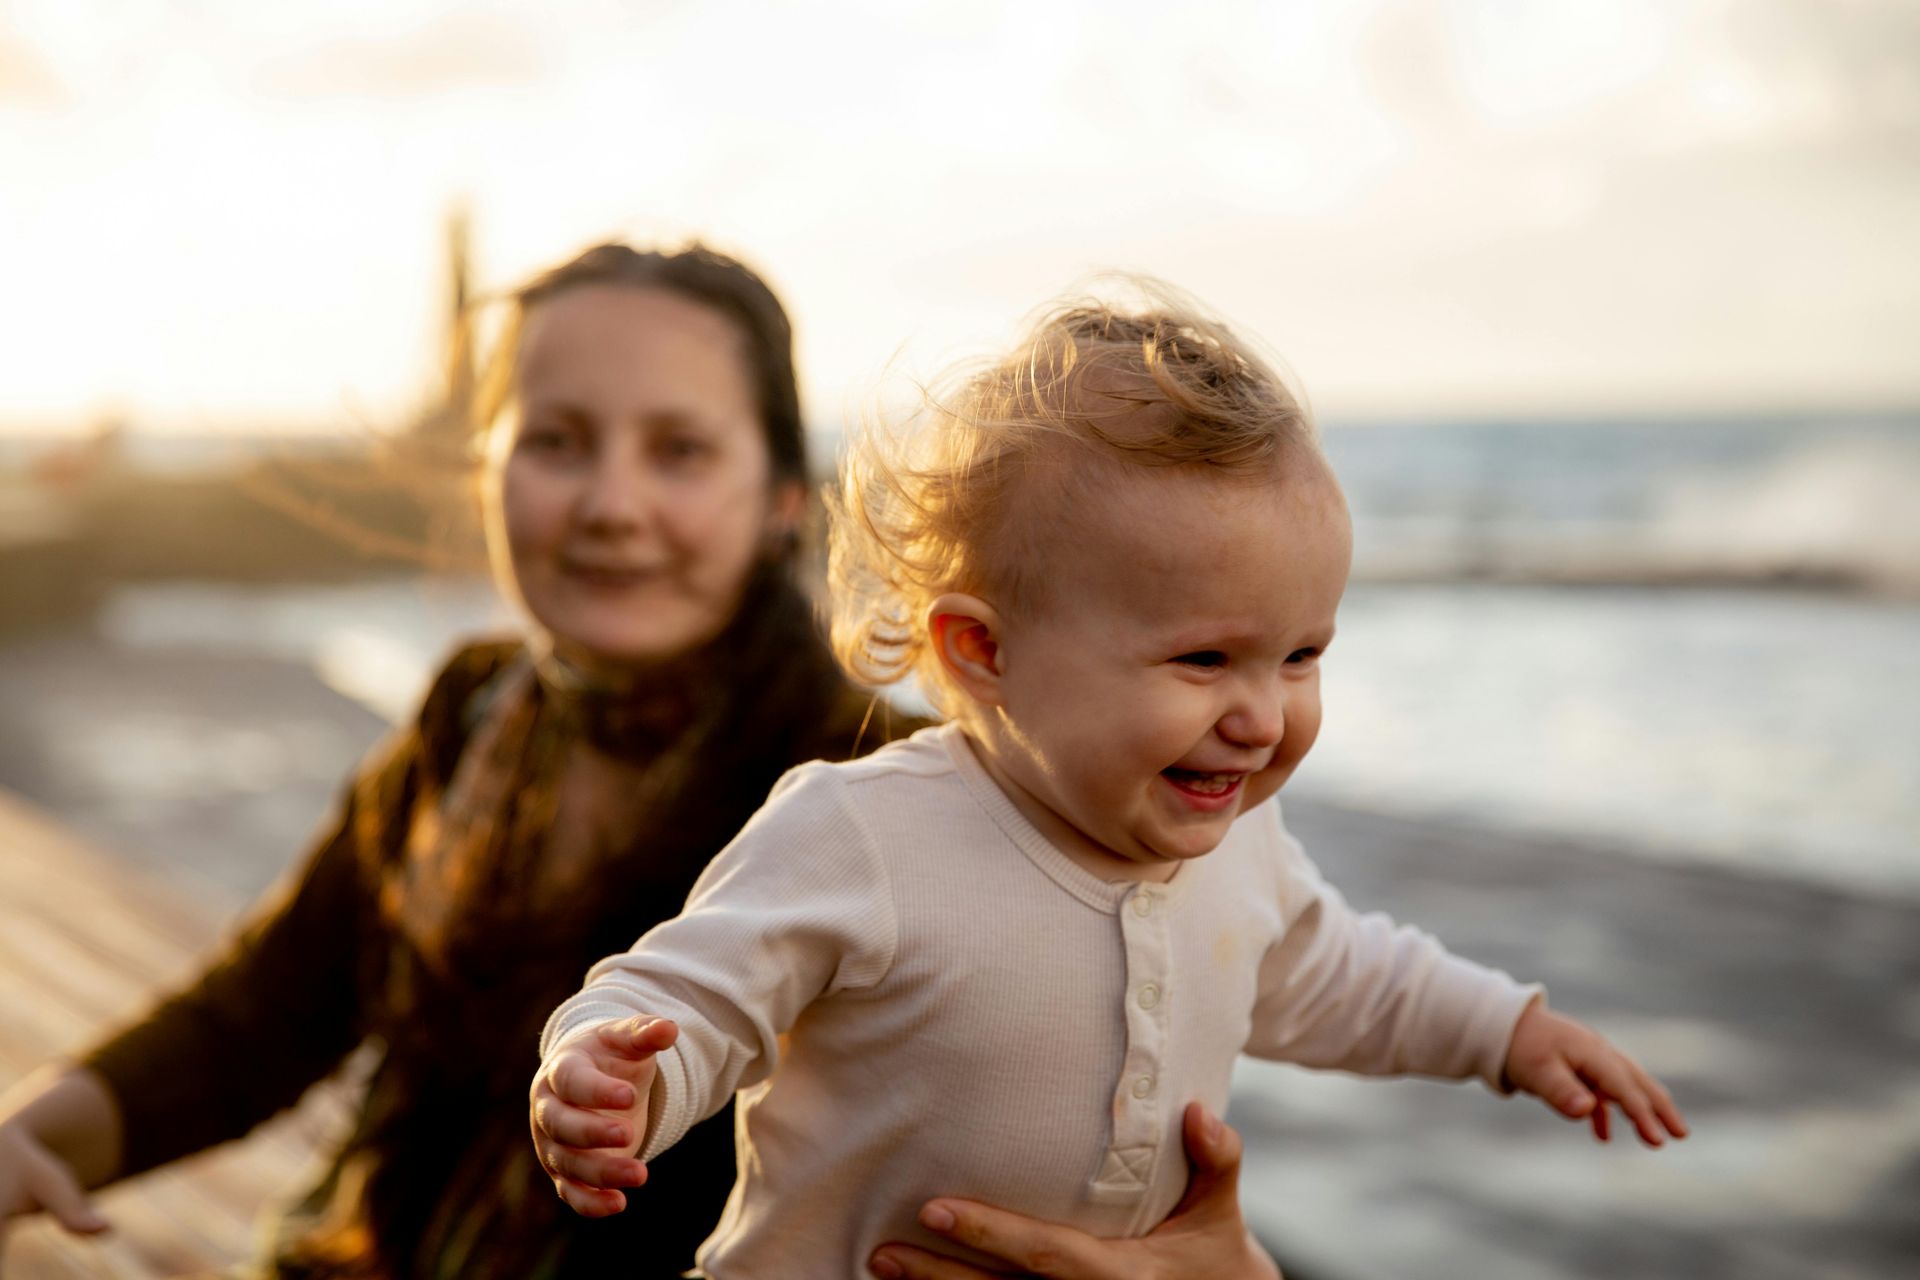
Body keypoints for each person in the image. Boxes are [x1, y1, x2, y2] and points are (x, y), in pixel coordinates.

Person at [0, 245, 1275, 1278]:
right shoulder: (474, 708)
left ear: (783, 493)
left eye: (679, 449)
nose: (611, 503)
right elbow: (268, 1011)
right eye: (556, 440)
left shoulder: (893, 781)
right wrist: (29, 1137)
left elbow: (1085, 1110)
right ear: (490, 471)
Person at [529, 282, 1691, 1278]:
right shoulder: (865, 831)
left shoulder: (1241, 848)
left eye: (1302, 654)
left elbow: (1342, 974)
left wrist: (1507, 1031)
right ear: (983, 650)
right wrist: (620, 1076)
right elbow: (699, 991)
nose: (1262, 713)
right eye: (1202, 657)